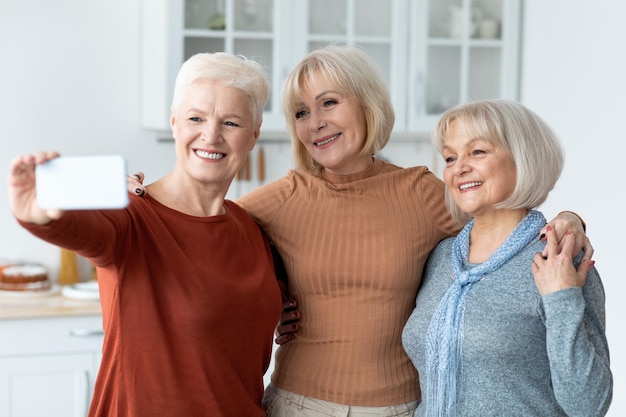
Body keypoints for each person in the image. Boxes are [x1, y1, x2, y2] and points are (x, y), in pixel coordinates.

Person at [129, 46, 591, 416]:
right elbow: (203, 223)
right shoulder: (287, 196)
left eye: (330, 102)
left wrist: (569, 219)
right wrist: (141, 194)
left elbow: (503, 226)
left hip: (401, 408)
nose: (316, 122)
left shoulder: (423, 193)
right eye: (301, 112)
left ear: (367, 106)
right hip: (298, 404)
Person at [8, 52, 282, 417]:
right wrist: (39, 214)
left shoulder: (249, 228)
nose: (211, 135)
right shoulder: (133, 215)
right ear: (174, 124)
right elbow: (87, 232)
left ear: (254, 135)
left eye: (230, 122)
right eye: (195, 118)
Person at [402, 99, 612, 417]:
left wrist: (562, 298)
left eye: (478, 152)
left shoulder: (559, 257)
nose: (459, 168)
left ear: (522, 157)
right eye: (449, 157)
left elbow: (589, 406)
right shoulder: (441, 257)